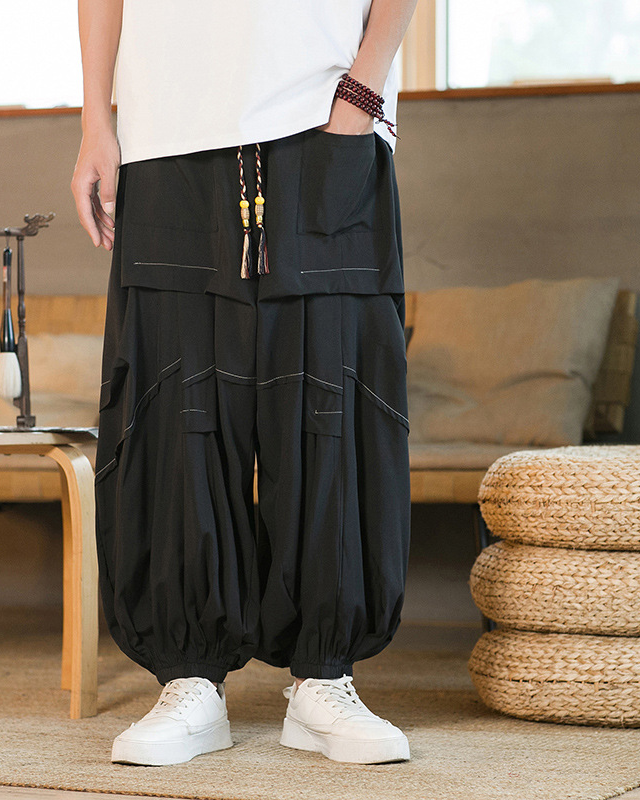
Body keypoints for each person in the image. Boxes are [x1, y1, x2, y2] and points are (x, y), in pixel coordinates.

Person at [72, 0, 418, 767]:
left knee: (332, 392)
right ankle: (189, 677)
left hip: (327, 115)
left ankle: (326, 677)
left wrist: (362, 91)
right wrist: (97, 119)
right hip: (164, 134)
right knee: (175, 401)